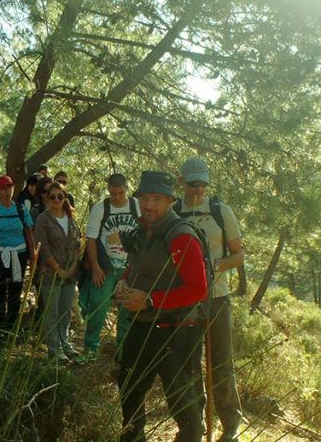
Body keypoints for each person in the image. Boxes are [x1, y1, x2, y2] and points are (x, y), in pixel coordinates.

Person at [114, 170, 208, 442]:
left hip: (177, 330)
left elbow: (198, 290)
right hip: (142, 325)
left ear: (169, 201)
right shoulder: (144, 229)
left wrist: (150, 300)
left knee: (181, 396)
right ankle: (132, 437)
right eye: (144, 198)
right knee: (130, 386)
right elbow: (135, 265)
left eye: (156, 199)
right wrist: (123, 281)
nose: (149, 205)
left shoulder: (180, 236)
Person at [177, 157, 244, 442]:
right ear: (182, 182)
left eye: (202, 184)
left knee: (221, 362)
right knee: (188, 363)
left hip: (217, 296)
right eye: (193, 184)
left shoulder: (220, 211)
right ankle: (195, 425)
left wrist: (215, 266)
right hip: (185, 299)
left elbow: (238, 255)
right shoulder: (174, 212)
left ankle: (230, 426)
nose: (198, 190)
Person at [75, 173, 140, 365]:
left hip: (129, 267)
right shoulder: (101, 208)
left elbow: (145, 232)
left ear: (126, 189)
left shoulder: (136, 206)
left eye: (121, 193)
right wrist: (95, 267)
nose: (117, 197)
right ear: (109, 190)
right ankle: (91, 348)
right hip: (106, 266)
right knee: (97, 305)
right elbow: (92, 239)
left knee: (126, 309)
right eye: (113, 193)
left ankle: (124, 350)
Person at [34, 181, 82, 362]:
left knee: (65, 311)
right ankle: (54, 349)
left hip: (70, 274)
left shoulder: (71, 219)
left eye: (59, 196)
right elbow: (43, 247)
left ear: (65, 198)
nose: (56, 199)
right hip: (50, 273)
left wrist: (71, 268)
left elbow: (78, 245)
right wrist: (58, 268)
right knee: (52, 312)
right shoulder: (43, 220)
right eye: (52, 196)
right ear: (47, 198)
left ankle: (65, 343)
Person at [0, 175, 35, 328]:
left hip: (19, 253)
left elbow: (29, 232)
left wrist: (32, 256)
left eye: (9, 187)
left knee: (15, 289)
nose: (7, 191)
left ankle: (12, 325)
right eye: (3, 188)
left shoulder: (21, 209)